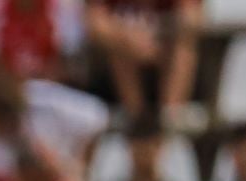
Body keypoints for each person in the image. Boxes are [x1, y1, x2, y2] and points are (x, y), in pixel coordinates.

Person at [84, 0, 205, 134]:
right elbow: (94, 25)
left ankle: (169, 123)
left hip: (166, 56)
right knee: (119, 52)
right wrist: (126, 38)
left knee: (183, 50)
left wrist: (160, 37)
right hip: (122, 67)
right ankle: (140, 124)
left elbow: (193, 18)